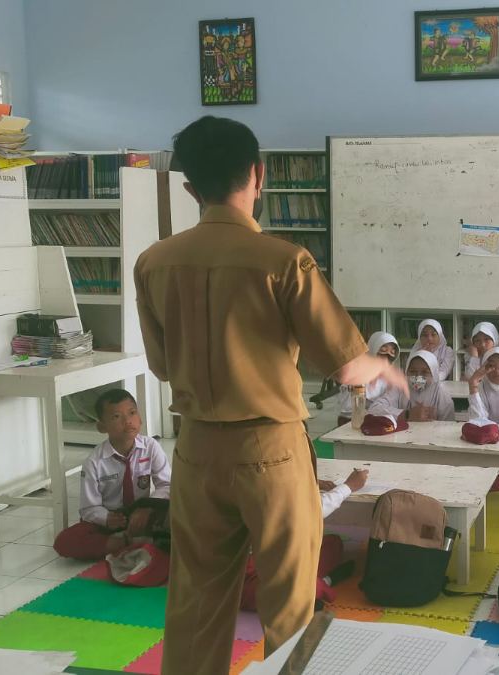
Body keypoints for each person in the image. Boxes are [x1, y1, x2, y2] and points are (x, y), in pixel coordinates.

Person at [134, 115, 406, 674]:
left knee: (195, 605)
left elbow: (162, 367)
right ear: (259, 174)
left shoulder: (153, 263)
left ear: (190, 188)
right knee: (289, 609)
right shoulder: (285, 261)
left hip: (195, 448)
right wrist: (385, 367)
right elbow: (350, 368)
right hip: (270, 450)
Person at [53, 389, 171, 560]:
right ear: (102, 427)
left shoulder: (151, 446)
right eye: (116, 417)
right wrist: (107, 518)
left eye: (132, 413)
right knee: (65, 541)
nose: (127, 421)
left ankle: (138, 540)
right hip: (111, 520)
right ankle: (120, 543)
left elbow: (166, 485)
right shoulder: (94, 462)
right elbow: (88, 509)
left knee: (180, 516)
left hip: (142, 514)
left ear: (140, 419)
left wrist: (148, 507)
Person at [241, 468, 369, 611]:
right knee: (290, 588)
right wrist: (348, 486)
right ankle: (322, 583)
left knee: (332, 544)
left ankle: (314, 584)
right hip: (245, 574)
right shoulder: (243, 487)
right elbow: (310, 512)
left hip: (276, 558)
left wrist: (308, 483)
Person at [369, 350, 456, 422]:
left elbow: (448, 429)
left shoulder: (442, 397)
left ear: (434, 375)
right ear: (406, 372)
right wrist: (407, 414)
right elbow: (374, 409)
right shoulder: (400, 388)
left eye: (425, 372)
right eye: (413, 371)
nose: (418, 377)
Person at [337, 331, 399, 426]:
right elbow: (347, 410)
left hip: (377, 420)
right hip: (351, 422)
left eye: (389, 356)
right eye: (381, 354)